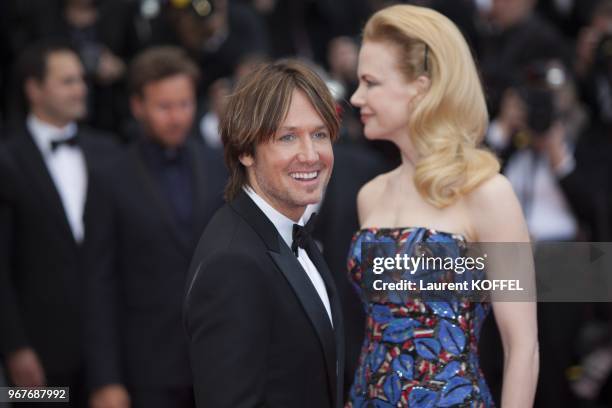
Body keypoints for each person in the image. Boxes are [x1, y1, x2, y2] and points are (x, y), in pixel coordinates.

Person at [346, 5, 538, 407]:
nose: (356, 96)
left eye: (370, 82)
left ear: (420, 88)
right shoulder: (370, 195)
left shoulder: (487, 194)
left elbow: (522, 349)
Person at [183, 60, 345, 408]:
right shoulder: (232, 262)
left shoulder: (288, 229)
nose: (311, 154)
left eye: (319, 134)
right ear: (245, 151)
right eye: (288, 137)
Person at [85, 46, 226, 408]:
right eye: (164, 107)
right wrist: (106, 379)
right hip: (146, 370)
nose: (177, 117)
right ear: (137, 106)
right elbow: (98, 284)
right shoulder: (110, 178)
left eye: (185, 104)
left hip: (219, 361)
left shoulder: (218, 166)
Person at [0, 40, 117, 407]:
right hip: (37, 355)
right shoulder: (7, 159)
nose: (81, 88)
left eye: (81, 79)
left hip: (108, 356)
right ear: (33, 89)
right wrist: (15, 347)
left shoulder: (110, 151)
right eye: (67, 81)